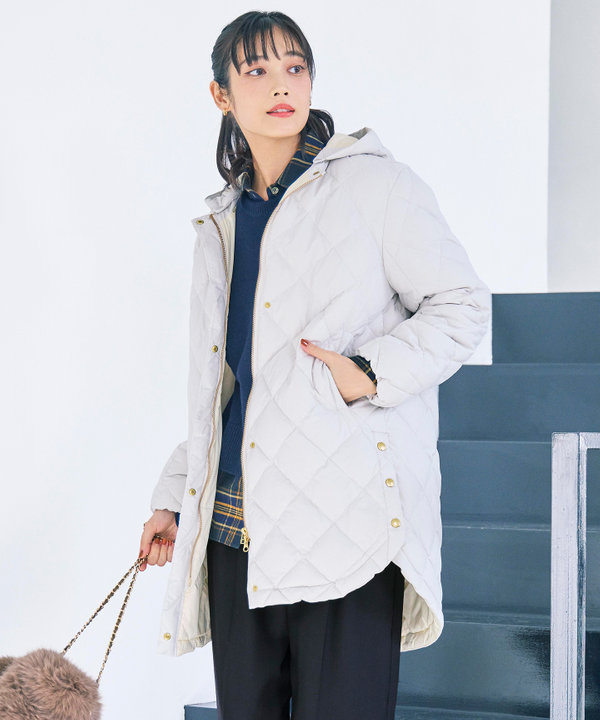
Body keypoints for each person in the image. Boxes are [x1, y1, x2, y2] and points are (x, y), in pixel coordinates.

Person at [139, 10, 491, 720]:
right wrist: (176, 494)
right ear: (221, 95)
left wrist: (368, 372)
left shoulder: (377, 187)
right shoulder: (223, 223)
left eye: (295, 68)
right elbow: (229, 384)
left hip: (346, 523)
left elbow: (463, 306)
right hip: (235, 527)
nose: (281, 85)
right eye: (257, 70)